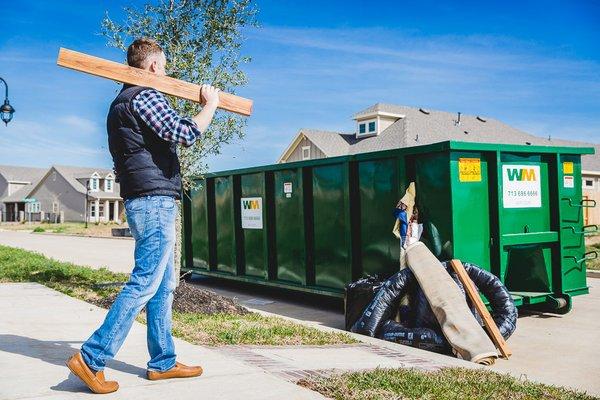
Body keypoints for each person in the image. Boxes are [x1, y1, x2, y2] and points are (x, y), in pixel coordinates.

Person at [66, 38, 220, 394]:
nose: (165, 72)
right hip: (153, 201)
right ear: (152, 66)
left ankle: (162, 362)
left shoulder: (119, 103)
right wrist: (209, 104)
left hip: (145, 198)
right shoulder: (144, 94)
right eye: (164, 66)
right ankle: (91, 358)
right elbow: (183, 133)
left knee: (164, 286)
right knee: (146, 282)